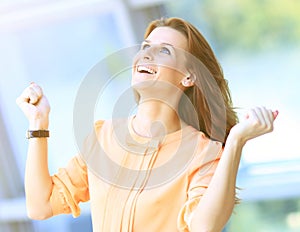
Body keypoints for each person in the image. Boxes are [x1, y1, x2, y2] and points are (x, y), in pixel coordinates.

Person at [16, 17, 278, 232]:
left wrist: (234, 143)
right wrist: (39, 123)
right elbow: (41, 205)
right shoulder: (103, 136)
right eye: (145, 46)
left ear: (188, 76)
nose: (146, 55)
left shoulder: (204, 153)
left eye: (164, 50)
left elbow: (204, 226)